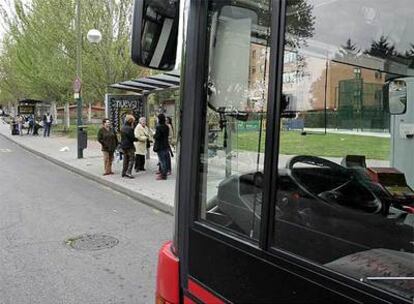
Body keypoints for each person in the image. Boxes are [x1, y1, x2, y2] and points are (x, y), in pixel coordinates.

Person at [153, 113, 170, 180]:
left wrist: (154, 135)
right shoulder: (166, 126)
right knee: (164, 160)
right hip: (165, 145)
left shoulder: (158, 127)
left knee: (162, 161)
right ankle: (164, 173)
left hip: (160, 146)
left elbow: (157, 136)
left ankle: (163, 175)